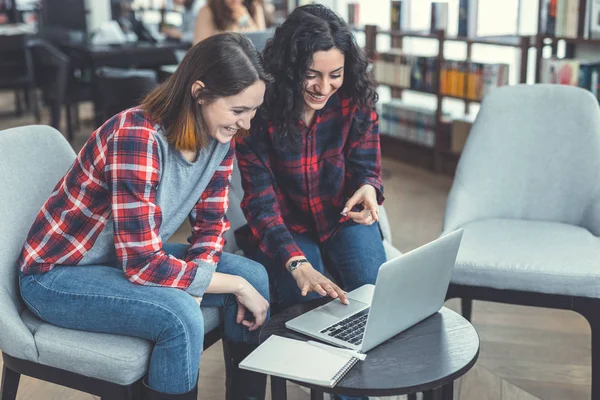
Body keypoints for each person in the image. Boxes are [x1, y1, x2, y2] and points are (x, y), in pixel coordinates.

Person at [17, 33, 271, 400]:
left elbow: (212, 224)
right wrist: (221, 285)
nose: (246, 124)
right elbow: (142, 265)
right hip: (57, 275)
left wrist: (198, 277)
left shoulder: (221, 138)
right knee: (187, 312)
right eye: (238, 111)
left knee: (254, 274)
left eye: (253, 110)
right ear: (199, 93)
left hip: (117, 259)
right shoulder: (137, 136)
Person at [236, 3, 386, 322]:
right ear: (290, 69)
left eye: (335, 75)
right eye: (311, 75)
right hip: (286, 225)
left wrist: (368, 188)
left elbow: (366, 168)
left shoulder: (355, 98)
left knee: (374, 297)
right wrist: (296, 263)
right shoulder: (258, 112)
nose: (324, 87)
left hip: (341, 217)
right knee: (307, 305)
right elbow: (261, 206)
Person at [193, 0, 266, 44]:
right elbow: (199, 46)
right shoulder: (207, 11)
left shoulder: (254, 7)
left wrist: (244, 20)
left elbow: (260, 41)